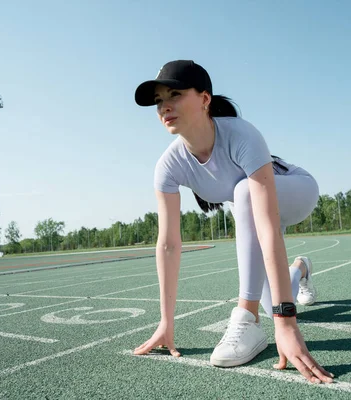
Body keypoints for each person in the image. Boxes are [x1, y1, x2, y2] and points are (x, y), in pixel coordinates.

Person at [132, 60, 333, 384]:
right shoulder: (168, 165)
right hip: (254, 209)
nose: (164, 106)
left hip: (296, 191)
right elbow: (168, 244)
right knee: (275, 300)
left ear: (204, 99)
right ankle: (301, 269)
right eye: (158, 101)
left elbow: (267, 223)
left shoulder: (241, 135)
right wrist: (165, 323)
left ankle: (246, 317)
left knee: (243, 193)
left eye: (175, 94)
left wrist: (286, 324)